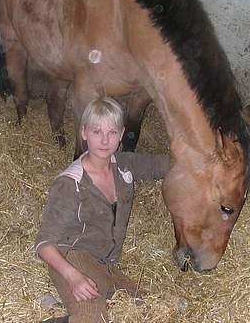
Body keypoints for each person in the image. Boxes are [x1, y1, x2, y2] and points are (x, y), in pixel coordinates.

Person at [36, 97, 169, 323]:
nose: (105, 140)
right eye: (97, 131)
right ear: (84, 132)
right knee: (91, 318)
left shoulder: (124, 165)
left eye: (112, 132)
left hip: (105, 264)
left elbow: (164, 165)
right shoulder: (71, 184)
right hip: (73, 258)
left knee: (151, 310)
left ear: (122, 134)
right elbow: (43, 244)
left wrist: (205, 161)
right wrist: (74, 277)